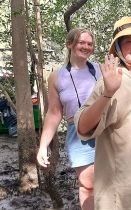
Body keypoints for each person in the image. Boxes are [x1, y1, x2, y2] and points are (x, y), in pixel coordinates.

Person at [74, 16, 131, 209]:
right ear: (118, 49)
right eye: (129, 42)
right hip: (123, 194)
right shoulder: (114, 81)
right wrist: (107, 93)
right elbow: (83, 127)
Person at [36, 28, 100, 210]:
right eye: (81, 42)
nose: (86, 46)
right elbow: (54, 113)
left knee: (112, 182)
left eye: (89, 43)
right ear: (70, 44)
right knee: (88, 185)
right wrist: (43, 146)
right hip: (78, 133)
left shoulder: (100, 69)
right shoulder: (57, 76)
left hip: (105, 130)